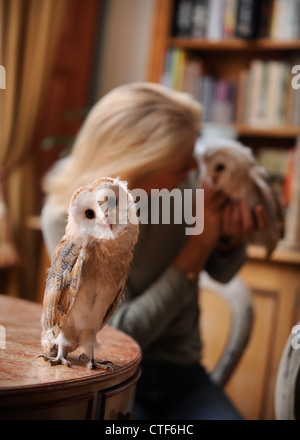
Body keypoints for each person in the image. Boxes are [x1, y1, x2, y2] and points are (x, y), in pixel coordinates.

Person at [41, 82, 267, 420]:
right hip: (107, 375)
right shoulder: (71, 215)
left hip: (185, 376)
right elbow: (118, 333)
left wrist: (228, 240)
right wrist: (199, 245)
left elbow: (222, 271)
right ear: (136, 166)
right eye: (180, 162)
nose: (194, 166)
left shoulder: (184, 187)